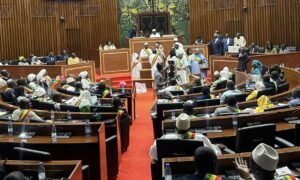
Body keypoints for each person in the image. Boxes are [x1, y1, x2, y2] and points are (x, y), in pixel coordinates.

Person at [149, 113, 221, 161]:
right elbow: (215, 153)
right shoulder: (200, 138)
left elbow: (153, 154)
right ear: (189, 128)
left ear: (175, 127)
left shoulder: (164, 138)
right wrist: (216, 147)